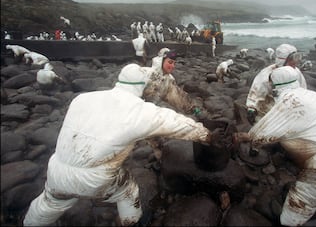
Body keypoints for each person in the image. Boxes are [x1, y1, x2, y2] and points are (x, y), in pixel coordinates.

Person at [23, 63, 212, 226]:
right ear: (143, 86)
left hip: (56, 172)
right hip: (95, 180)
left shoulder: (82, 99)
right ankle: (131, 222)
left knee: (47, 205)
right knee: (128, 191)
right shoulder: (139, 111)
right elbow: (176, 123)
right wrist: (207, 135)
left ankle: (29, 223)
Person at [234, 66, 316, 226]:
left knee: (300, 205)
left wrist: (245, 137)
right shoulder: (310, 94)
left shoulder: (290, 100)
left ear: (275, 85)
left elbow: (262, 134)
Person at [245, 43, 307, 124]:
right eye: (291, 61)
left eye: (296, 60)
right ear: (283, 60)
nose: (295, 63)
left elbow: (303, 88)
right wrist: (251, 107)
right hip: (270, 108)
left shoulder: (296, 72)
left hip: (291, 105)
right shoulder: (268, 73)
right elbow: (256, 91)